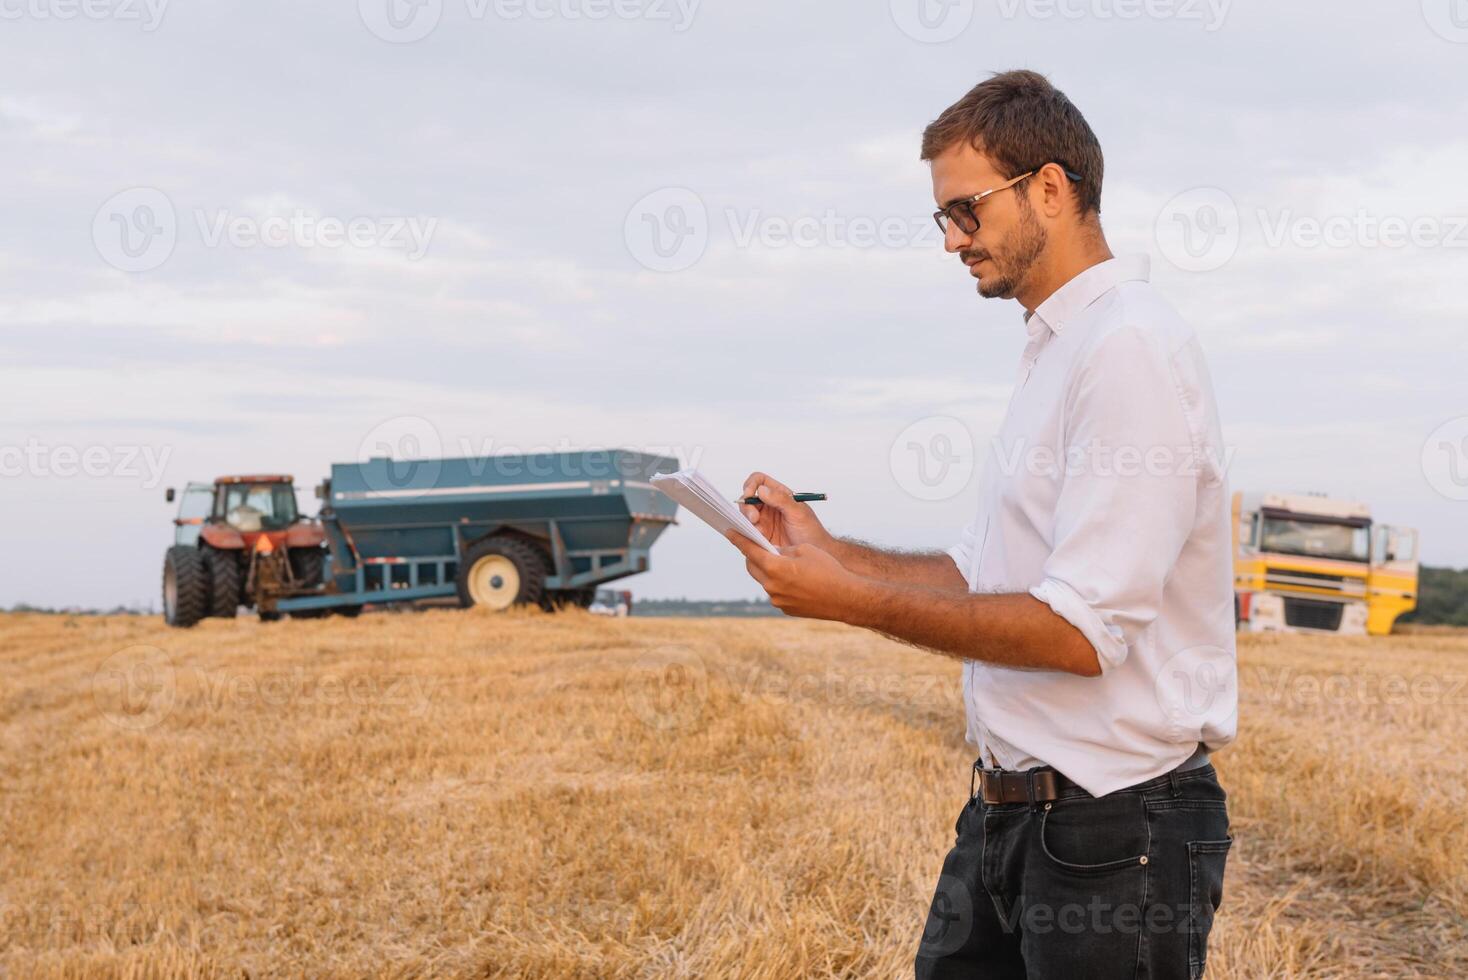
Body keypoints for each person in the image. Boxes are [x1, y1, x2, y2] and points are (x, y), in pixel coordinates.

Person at [724, 70, 1237, 979]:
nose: (953, 239)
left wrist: (852, 603)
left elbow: (1081, 634)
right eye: (942, 218)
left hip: (1117, 827)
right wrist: (828, 551)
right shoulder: (1057, 349)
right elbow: (982, 576)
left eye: (966, 209)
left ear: (1050, 186)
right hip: (1010, 817)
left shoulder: (1127, 349)